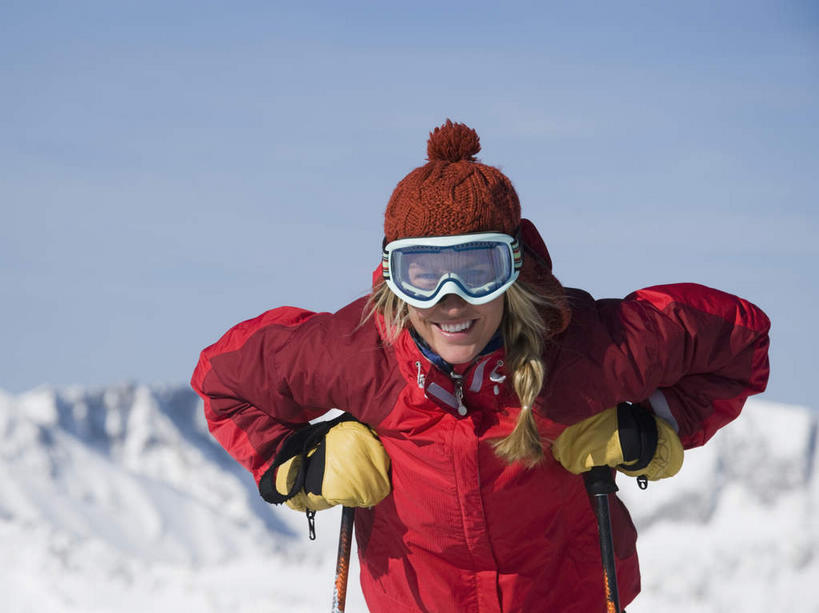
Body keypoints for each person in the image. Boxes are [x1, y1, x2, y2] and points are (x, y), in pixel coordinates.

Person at [192, 120, 770, 612]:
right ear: (394, 277)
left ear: (512, 270)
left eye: (477, 269)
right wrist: (296, 463)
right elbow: (223, 382)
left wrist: (651, 423)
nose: (451, 299)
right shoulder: (359, 356)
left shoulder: (586, 352)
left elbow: (740, 342)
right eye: (423, 273)